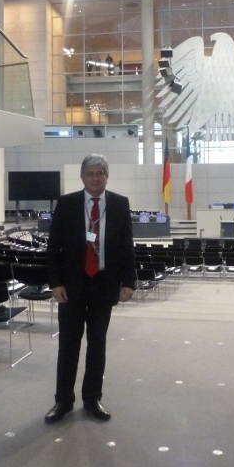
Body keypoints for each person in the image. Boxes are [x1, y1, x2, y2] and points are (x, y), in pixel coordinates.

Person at [44, 154, 136, 424]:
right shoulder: (67, 203)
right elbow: (53, 247)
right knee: (68, 345)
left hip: (104, 283)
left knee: (97, 345)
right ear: (82, 177)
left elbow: (126, 246)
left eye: (100, 173)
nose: (96, 178)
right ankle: (63, 401)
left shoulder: (119, 204)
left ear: (107, 176)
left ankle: (92, 398)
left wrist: (129, 282)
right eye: (91, 173)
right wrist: (55, 282)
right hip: (71, 285)